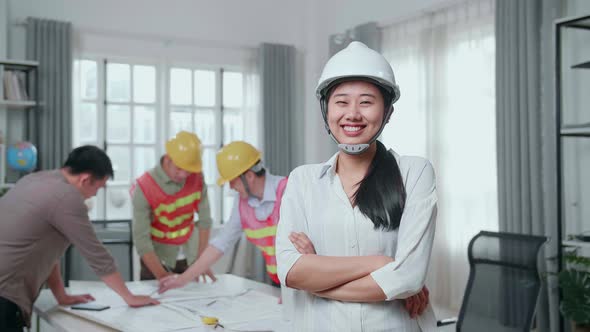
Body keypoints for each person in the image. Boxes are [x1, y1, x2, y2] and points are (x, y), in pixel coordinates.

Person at [275, 41, 438, 331]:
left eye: (366, 102)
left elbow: (408, 278)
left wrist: (318, 275)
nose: (353, 113)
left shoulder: (415, 172)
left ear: (387, 112)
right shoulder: (302, 181)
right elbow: (291, 271)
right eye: (341, 102)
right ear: (326, 110)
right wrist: (380, 263)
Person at [0, 145, 158, 332]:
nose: (94, 194)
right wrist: (129, 297)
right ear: (85, 179)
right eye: (98, 188)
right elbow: (97, 255)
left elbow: (47, 252)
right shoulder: (67, 197)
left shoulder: (34, 179)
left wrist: (61, 296)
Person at [158, 141, 288, 293]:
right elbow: (221, 243)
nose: (231, 187)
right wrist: (181, 280)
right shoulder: (242, 203)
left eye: (232, 181)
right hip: (280, 283)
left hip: (301, 283)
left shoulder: (288, 191)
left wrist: (295, 288)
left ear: (250, 176)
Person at [132, 131, 213, 281]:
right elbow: (141, 239)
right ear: (168, 158)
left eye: (188, 170)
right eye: (179, 168)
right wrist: (161, 275)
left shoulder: (197, 178)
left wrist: (201, 261)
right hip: (156, 261)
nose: (183, 174)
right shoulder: (144, 187)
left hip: (189, 258)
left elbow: (205, 221)